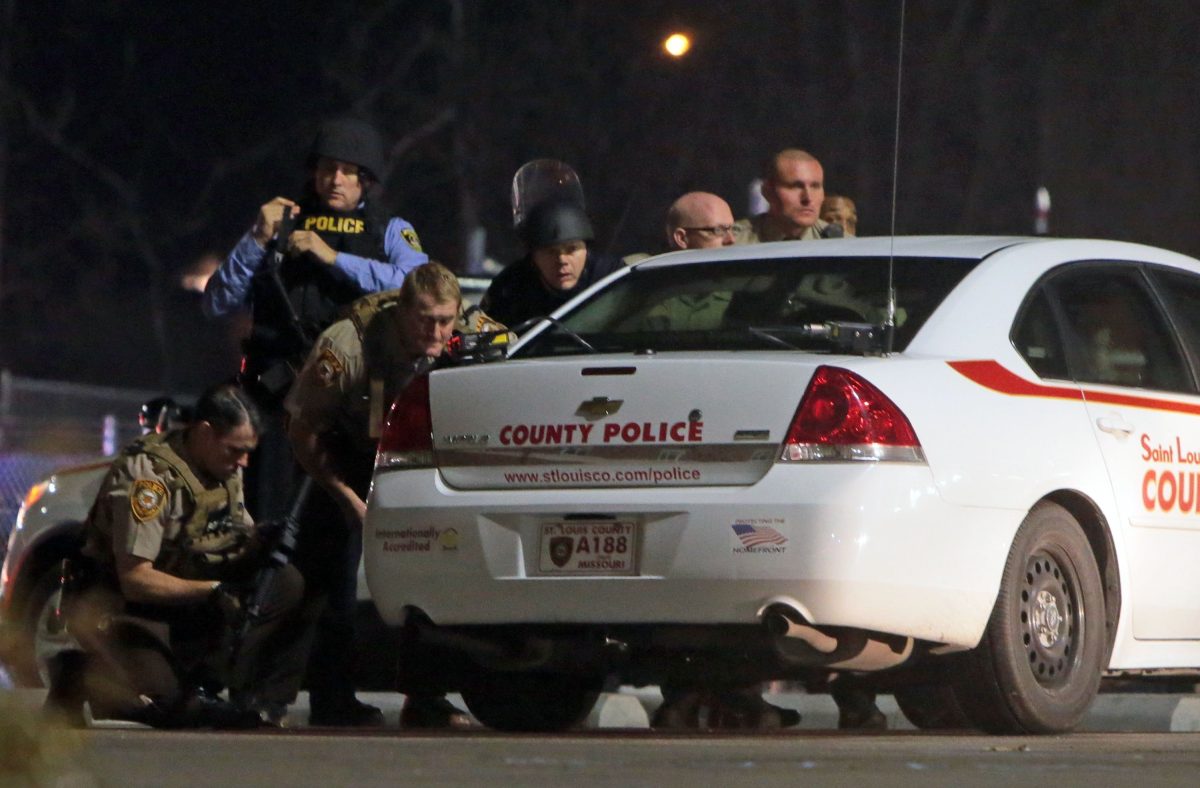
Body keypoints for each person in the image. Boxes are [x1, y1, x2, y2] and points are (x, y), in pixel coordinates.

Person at [284, 262, 481, 729]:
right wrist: (347, 498)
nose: (436, 332)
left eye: (445, 321)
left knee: (433, 572)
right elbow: (301, 430)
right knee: (330, 576)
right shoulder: (346, 346)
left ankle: (426, 697)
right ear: (401, 313)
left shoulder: (472, 330)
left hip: (416, 458)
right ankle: (329, 699)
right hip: (344, 452)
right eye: (425, 320)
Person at [43, 384, 309, 728]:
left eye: (248, 452)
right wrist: (213, 591)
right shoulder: (149, 478)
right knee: (166, 706)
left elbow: (230, 533)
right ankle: (77, 673)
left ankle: (237, 693)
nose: (243, 462)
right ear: (205, 433)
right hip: (125, 606)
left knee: (284, 581)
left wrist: (261, 542)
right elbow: (135, 578)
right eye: (235, 450)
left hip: (184, 599)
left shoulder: (223, 467)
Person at [480, 201, 623, 328]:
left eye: (571, 249)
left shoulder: (614, 278)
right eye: (550, 252)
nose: (562, 260)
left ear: (586, 250)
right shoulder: (509, 289)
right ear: (533, 257)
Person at [733, 149, 834, 243]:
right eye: (795, 186)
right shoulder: (734, 241)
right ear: (768, 192)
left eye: (815, 187)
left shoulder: (836, 240)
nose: (808, 198)